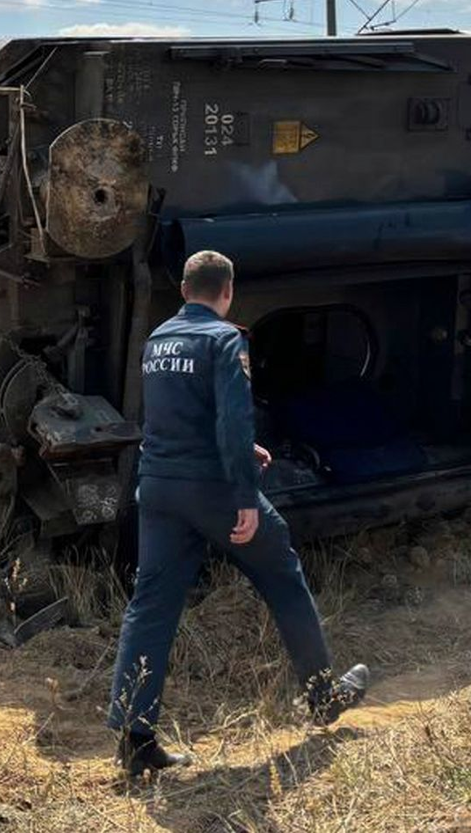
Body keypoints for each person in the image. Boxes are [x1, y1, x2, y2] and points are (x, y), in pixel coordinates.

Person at [107, 250, 368, 776]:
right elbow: (230, 418)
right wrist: (246, 495)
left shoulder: (158, 340)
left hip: (157, 487)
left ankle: (135, 739)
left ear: (183, 291)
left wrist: (242, 450)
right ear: (227, 293)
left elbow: (172, 416)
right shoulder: (226, 340)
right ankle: (322, 697)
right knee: (283, 575)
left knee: (151, 607)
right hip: (213, 490)